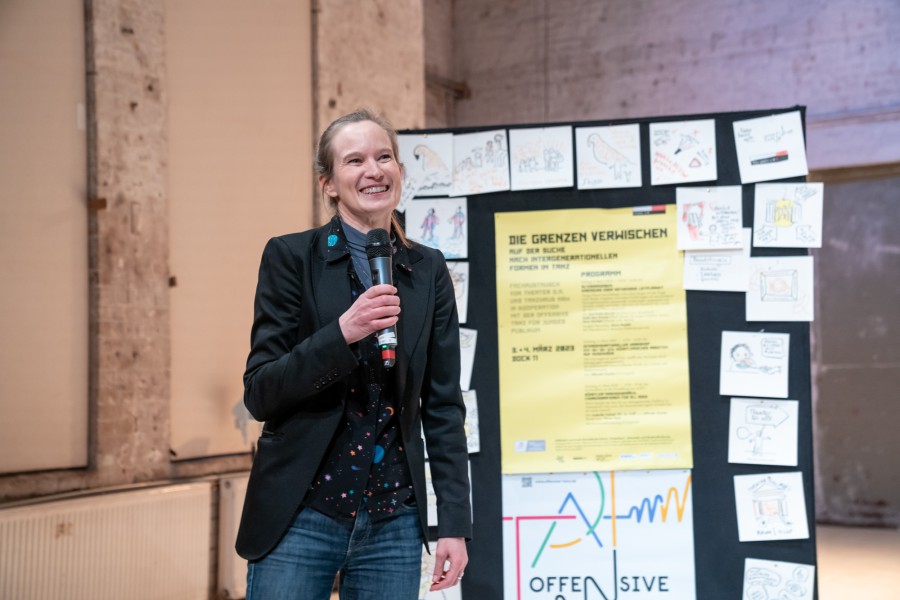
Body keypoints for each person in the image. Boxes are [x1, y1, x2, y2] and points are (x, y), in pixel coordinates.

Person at [235, 108, 472, 599]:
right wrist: (342, 333)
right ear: (328, 183)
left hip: (393, 519)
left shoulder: (428, 269)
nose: (373, 170)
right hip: (301, 513)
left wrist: (453, 522)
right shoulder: (291, 258)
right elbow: (260, 393)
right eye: (355, 160)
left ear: (400, 171)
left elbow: (443, 406)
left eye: (384, 157)